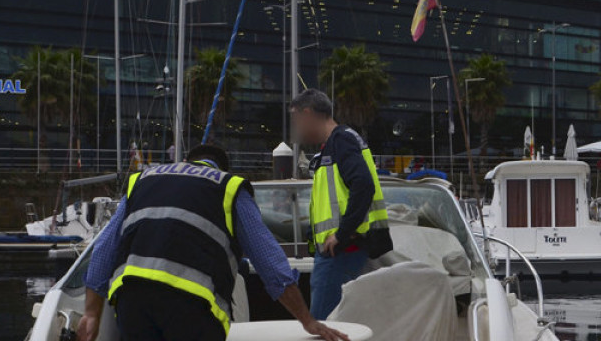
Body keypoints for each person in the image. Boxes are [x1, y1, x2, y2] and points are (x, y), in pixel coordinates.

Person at [77, 144, 348, 341]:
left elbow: (103, 250)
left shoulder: (142, 180)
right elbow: (271, 264)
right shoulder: (229, 187)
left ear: (186, 161)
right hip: (192, 307)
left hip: (132, 300)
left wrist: (91, 314)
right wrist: (307, 321)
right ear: (222, 168)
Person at [289, 89, 393, 320]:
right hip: (339, 248)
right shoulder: (338, 143)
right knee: (337, 320)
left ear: (308, 114)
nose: (296, 127)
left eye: (296, 120)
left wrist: (342, 234)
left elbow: (363, 186)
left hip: (340, 250)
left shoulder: (342, 141)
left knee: (322, 323)